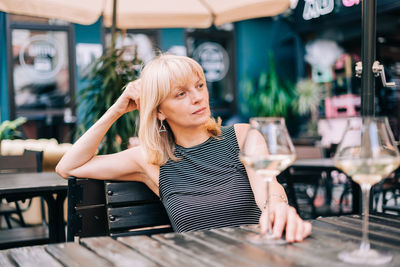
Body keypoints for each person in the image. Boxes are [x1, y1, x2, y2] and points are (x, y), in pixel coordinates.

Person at [56, 54, 311, 242]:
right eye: (181, 94)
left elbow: (268, 189)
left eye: (199, 86)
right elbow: (68, 166)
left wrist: (278, 208)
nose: (198, 97)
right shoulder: (151, 159)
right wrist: (117, 109)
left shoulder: (243, 135)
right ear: (158, 111)